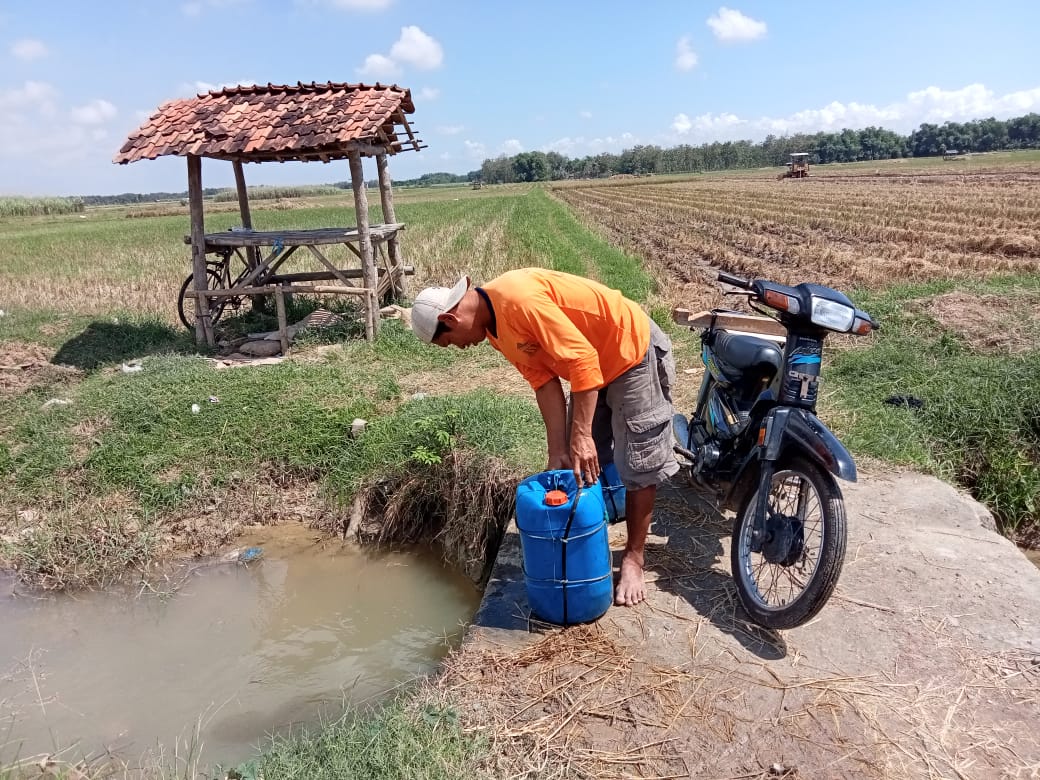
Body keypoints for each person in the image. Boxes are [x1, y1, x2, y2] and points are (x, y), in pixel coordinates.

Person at [410, 267, 678, 606]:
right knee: (577, 461)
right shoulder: (494, 330)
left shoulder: (518, 301)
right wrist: (558, 451)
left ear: (451, 318)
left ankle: (634, 559)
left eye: (448, 341)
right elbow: (544, 382)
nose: (458, 348)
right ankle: (594, 525)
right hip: (593, 367)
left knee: (639, 462)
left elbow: (582, 360)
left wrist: (580, 435)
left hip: (627, 349)